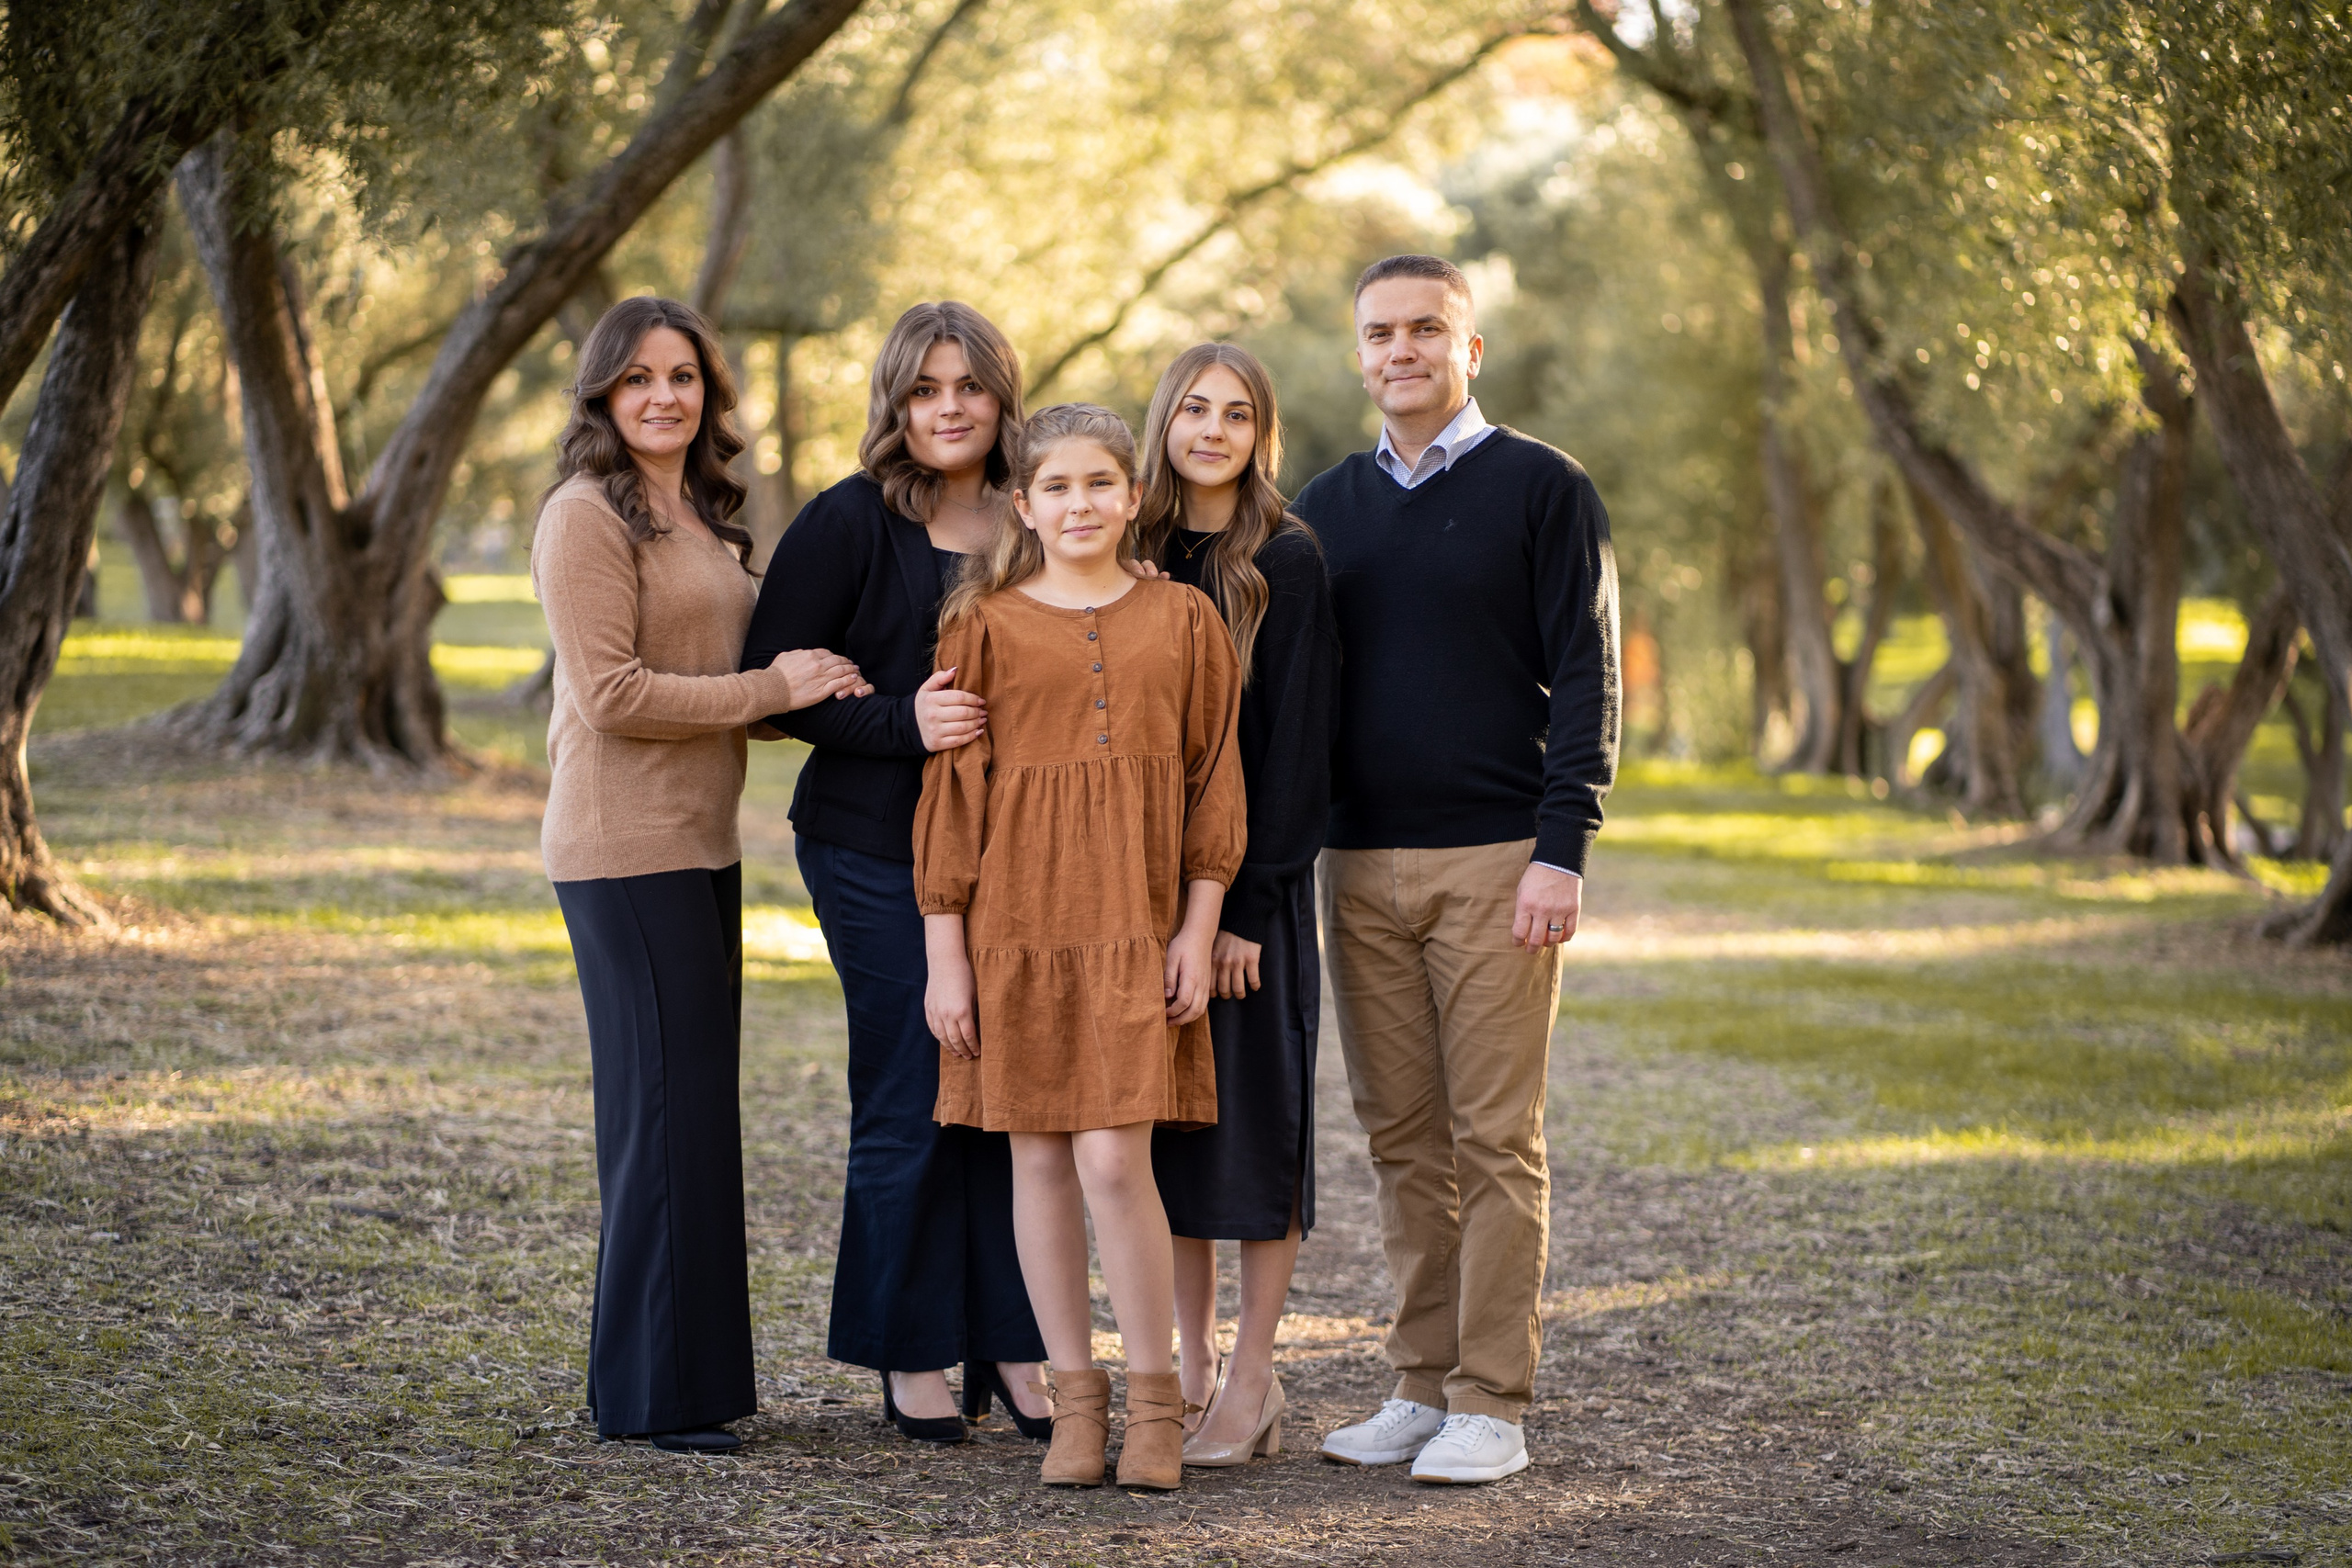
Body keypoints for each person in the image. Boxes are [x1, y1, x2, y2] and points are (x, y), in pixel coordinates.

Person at [1296, 255, 1620, 1485]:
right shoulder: (1324, 504)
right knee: (1400, 1139)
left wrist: (1560, 849)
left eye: (1427, 328)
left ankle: (1493, 1400)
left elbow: (1587, 673)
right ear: (1360, 355)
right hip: (1356, 863)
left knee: (1493, 1139)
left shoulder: (1545, 487)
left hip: (1496, 861)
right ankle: (1420, 1383)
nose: (1402, 350)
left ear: (1469, 349)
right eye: (1381, 332)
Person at [534, 296, 868, 1453]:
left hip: (699, 842)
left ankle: (669, 1382)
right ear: (602, 395)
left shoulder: (698, 516)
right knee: (662, 1117)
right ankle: (652, 1399)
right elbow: (612, 694)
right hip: (624, 848)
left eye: (681, 376)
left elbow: (731, 686)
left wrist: (816, 685)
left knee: (687, 1116)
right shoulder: (584, 515)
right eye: (637, 378)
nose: (663, 396)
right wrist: (770, 689)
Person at [915, 403, 1245, 1492]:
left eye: (1100, 483)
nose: (1080, 505)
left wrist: (1198, 926)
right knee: (1040, 1159)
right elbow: (953, 800)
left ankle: (1154, 1403)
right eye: (1055, 487)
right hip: (1015, 925)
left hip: (1135, 923)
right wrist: (946, 954)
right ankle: (1073, 1402)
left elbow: (1213, 778)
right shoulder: (983, 624)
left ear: (1134, 495)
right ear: (1023, 505)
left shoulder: (1184, 619)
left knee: (1113, 1157)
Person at [741, 302, 1054, 1446]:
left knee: (1010, 1093)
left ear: (1002, 396)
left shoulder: (1038, 518)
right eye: (925, 389)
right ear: (896, 403)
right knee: (916, 1082)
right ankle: (909, 1347)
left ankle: (1011, 1342)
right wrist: (899, 723)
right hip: (871, 845)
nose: (949, 407)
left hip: (1017, 853)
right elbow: (773, 690)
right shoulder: (847, 521)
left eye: (969, 385)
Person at [1134, 344, 1340, 1467]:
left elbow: (1299, 749)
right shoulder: (1130, 552)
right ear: (1164, 420)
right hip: (1141, 896)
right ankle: (1193, 1366)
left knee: (1258, 1135)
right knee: (1169, 1138)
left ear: (1261, 433)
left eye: (1237, 414)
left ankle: (1255, 1376)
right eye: (1194, 409)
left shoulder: (1285, 559)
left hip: (1250, 899)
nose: (1212, 430)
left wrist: (1250, 908)